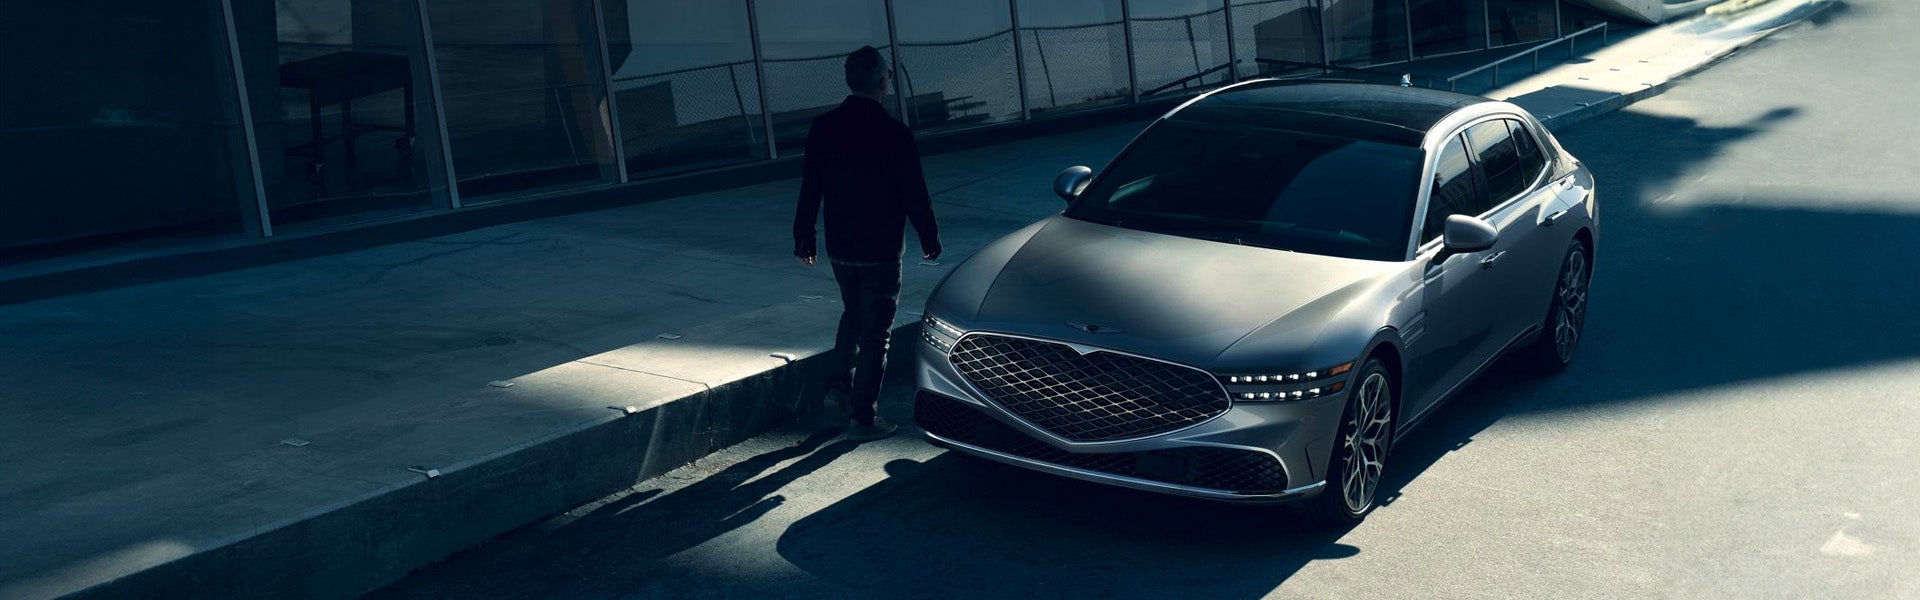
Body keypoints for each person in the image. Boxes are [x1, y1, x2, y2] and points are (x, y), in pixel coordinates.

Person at [793, 46, 940, 442]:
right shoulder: (894, 133)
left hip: (841, 247)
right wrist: (930, 236)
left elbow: (811, 187)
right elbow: (915, 193)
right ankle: (862, 418)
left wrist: (804, 236)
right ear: (882, 82)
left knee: (852, 316)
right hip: (880, 250)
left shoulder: (823, 126)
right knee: (877, 333)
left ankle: (839, 386)